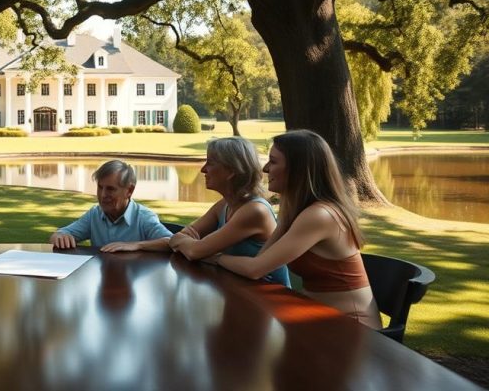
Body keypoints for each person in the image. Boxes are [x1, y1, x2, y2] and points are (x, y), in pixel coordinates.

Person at [213, 130, 381, 328]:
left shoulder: (320, 215)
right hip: (317, 318)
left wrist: (215, 257)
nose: (265, 169)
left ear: (298, 169)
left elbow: (255, 269)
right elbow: (261, 260)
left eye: (273, 161)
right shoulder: (294, 210)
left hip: (353, 328)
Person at [168, 137, 290, 287]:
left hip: (271, 300)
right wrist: (187, 243)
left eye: (210, 163)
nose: (203, 169)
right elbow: (180, 238)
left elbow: (194, 252)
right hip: (240, 292)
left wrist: (195, 247)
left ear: (231, 170)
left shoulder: (255, 211)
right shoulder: (224, 205)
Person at [49, 159, 172, 252]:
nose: (103, 195)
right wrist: (60, 237)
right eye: (100, 187)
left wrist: (136, 245)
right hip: (102, 282)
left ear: (129, 191)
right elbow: (59, 234)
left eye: (110, 189)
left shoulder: (143, 217)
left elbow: (172, 242)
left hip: (133, 283)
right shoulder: (94, 214)